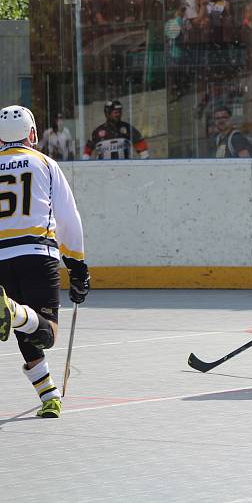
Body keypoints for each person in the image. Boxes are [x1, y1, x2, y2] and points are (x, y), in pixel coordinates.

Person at [0, 105, 90, 419]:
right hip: (37, 253)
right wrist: (77, 265)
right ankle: (14, 310)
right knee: (46, 331)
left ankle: (50, 395)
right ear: (33, 134)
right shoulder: (46, 163)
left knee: (24, 329)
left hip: (1, 258)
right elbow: (68, 217)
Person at [83, 100, 150, 160]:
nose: (119, 114)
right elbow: (86, 153)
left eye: (120, 112)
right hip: (103, 171)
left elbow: (143, 150)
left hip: (124, 170)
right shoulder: (97, 132)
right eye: (116, 112)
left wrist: (145, 162)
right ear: (107, 113)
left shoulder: (127, 128)